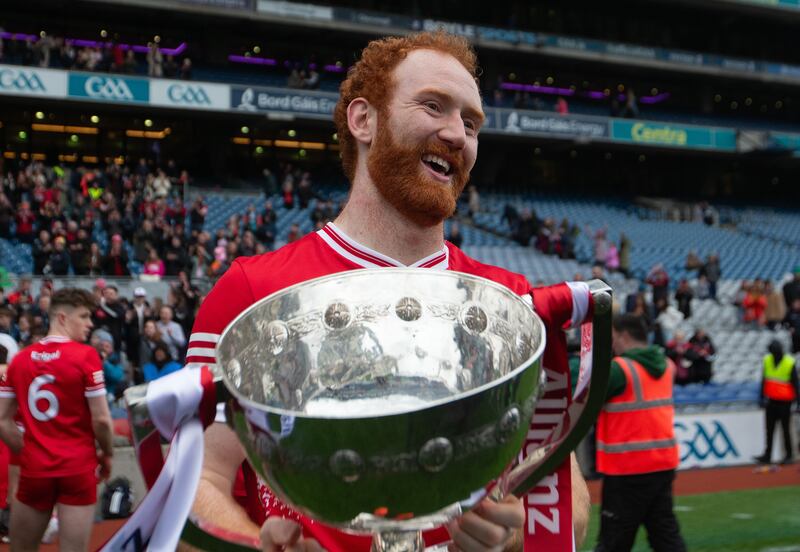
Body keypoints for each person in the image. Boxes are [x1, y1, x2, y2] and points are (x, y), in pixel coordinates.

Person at [186, 31, 593, 552]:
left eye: (471, 123)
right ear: (363, 120)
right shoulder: (253, 287)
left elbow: (568, 499)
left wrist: (515, 535)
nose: (457, 134)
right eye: (433, 106)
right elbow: (196, 481)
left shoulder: (509, 300)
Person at [0, 288, 114, 551]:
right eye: (84, 317)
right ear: (62, 318)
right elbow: (102, 421)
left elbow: (2, 420)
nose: (90, 324)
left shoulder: (20, 360)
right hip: (77, 467)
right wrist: (107, 452)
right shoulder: (86, 356)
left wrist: (27, 450)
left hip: (35, 468)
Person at [595, 314, 686, 552]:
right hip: (662, 464)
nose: (610, 342)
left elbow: (582, 384)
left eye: (612, 336)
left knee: (613, 542)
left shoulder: (619, 369)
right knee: (666, 536)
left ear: (623, 335)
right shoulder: (667, 365)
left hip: (627, 469)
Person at [754, 340, 798, 465]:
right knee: (769, 429)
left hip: (785, 402)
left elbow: (796, 384)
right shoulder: (767, 360)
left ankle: (789, 455)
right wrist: (761, 397)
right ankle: (767, 455)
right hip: (771, 401)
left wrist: (798, 402)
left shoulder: (789, 362)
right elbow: (764, 379)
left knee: (785, 429)